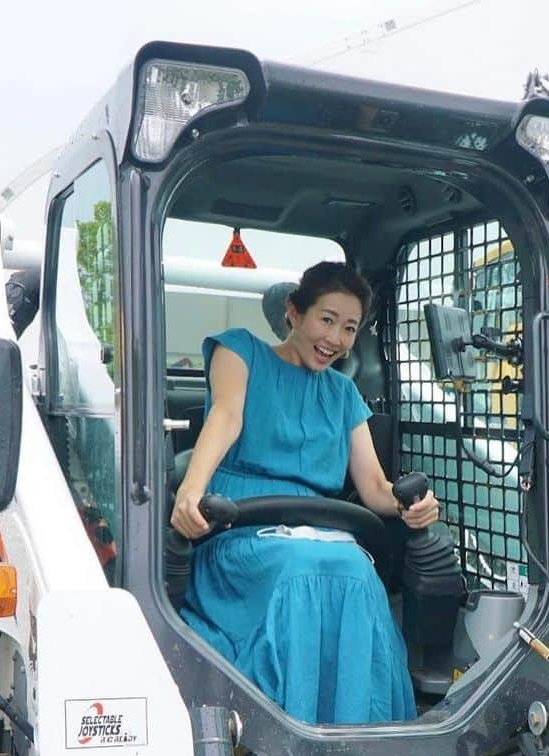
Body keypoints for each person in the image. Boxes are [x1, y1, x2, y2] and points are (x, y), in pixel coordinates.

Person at [170, 261, 439, 725]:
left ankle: (363, 737)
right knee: (302, 570)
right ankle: (282, 733)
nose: (335, 338)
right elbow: (227, 416)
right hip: (243, 525)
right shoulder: (240, 351)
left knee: (357, 570)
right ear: (294, 313)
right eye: (327, 319)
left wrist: (409, 504)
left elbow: (374, 487)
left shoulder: (342, 393)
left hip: (318, 530)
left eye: (349, 328)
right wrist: (190, 492)